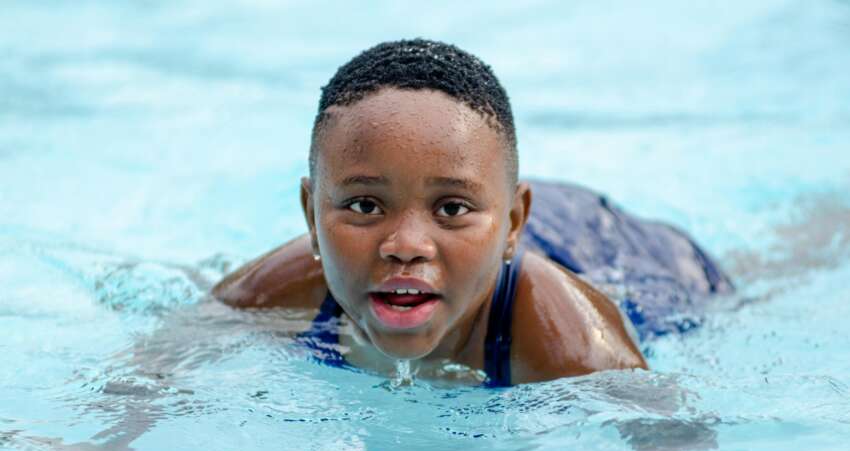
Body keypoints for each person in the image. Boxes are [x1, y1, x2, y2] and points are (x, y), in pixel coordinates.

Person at [213, 39, 732, 386]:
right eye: (366, 205)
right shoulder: (273, 294)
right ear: (312, 217)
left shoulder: (570, 343)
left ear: (513, 223)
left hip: (617, 253)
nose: (406, 245)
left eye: (449, 207)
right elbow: (167, 380)